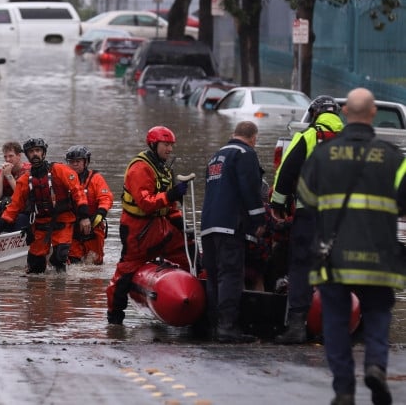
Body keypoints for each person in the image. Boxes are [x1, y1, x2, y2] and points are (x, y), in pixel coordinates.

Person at [298, 88, 405, 405]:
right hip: (379, 256)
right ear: (373, 114)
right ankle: (375, 365)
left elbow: (306, 199)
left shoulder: (322, 156)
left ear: (345, 114)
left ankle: (344, 388)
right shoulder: (394, 158)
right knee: (377, 315)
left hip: (334, 255)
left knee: (335, 320)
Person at [270, 95, 344, 344]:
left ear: (314, 114)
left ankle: (297, 327)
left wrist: (277, 205)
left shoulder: (308, 136)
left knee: (301, 267)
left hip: (310, 214)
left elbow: (286, 172)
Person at [106, 126, 190, 325]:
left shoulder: (163, 168)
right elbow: (146, 203)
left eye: (171, 145)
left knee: (190, 251)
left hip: (161, 227)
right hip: (138, 231)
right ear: (154, 144)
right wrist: (171, 195)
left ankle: (197, 301)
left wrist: (180, 224)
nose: (169, 149)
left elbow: (169, 207)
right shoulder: (140, 168)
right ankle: (115, 316)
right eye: (166, 145)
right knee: (125, 273)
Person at [200, 121, 266, 343]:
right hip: (230, 225)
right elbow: (250, 188)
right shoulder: (245, 154)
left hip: (209, 225)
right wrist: (258, 219)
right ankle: (228, 327)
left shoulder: (216, 157)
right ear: (253, 138)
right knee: (231, 275)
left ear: (234, 134)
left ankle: (214, 326)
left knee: (214, 276)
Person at [0, 138, 90, 273]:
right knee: (35, 268)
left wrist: (84, 216)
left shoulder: (59, 170)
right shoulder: (24, 180)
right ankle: (38, 289)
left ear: (43, 153)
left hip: (62, 220)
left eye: (38, 151)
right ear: (27, 156)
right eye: (31, 152)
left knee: (59, 256)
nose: (35, 154)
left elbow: (78, 191)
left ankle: (59, 284)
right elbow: (14, 206)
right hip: (40, 224)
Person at [64, 145, 113, 265]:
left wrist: (100, 213)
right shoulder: (63, 179)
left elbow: (106, 198)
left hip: (93, 226)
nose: (75, 164)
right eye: (71, 162)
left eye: (78, 161)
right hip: (72, 226)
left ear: (86, 162)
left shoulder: (96, 179)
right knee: (73, 263)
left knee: (94, 263)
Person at [0, 141, 30, 234]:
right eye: (5, 157)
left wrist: (9, 175)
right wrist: (2, 175)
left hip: (23, 209)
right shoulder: (2, 172)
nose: (7, 159)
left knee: (20, 218)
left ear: (19, 156)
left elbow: (21, 195)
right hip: (6, 207)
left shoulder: (28, 171)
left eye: (11, 156)